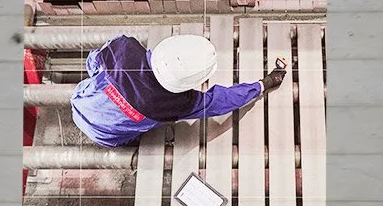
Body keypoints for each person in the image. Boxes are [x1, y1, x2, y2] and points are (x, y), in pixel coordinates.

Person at [70, 33, 287, 149]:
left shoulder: (123, 46)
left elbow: (93, 63)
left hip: (79, 102)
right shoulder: (176, 103)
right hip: (106, 136)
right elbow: (220, 102)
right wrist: (263, 84)